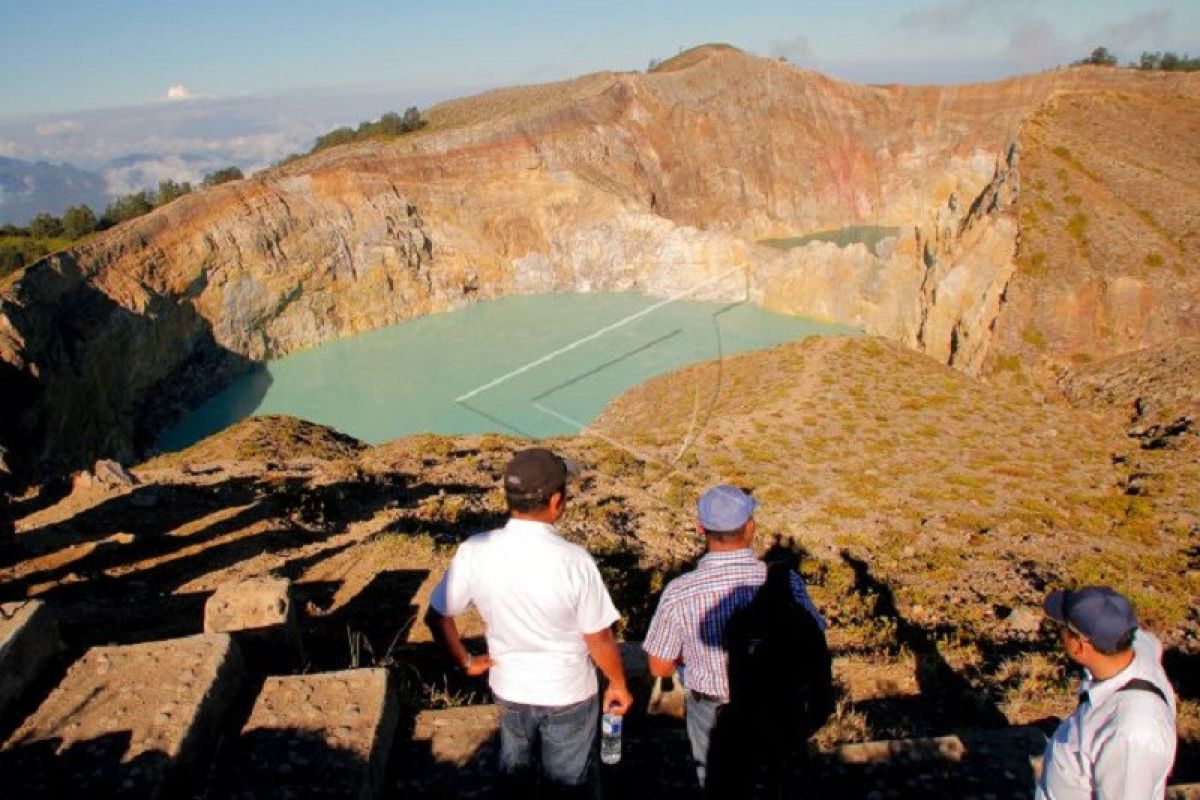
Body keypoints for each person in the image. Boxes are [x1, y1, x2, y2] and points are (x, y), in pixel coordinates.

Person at [424, 447, 632, 798]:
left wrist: (466, 661)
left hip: (510, 687)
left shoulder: (475, 551)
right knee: (568, 783)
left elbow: (437, 617)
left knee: (515, 773)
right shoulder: (574, 561)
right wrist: (617, 683)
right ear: (556, 501)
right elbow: (598, 637)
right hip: (569, 693)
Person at [642, 484, 826, 794]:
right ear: (750, 527)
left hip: (712, 708)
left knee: (719, 783)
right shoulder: (787, 581)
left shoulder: (680, 591)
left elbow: (659, 667)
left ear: (701, 528)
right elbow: (815, 635)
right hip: (777, 700)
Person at [1036, 585, 1177, 799]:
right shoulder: (1136, 647)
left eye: (1063, 629)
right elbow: (1149, 641)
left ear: (1080, 647)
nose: (1059, 633)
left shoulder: (1131, 734)